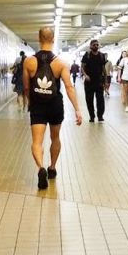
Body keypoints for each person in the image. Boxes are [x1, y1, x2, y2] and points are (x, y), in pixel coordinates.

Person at [23, 27, 83, 190]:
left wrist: (31, 102)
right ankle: (52, 168)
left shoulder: (29, 61)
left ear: (39, 38)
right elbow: (69, 87)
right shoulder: (61, 63)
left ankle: (41, 167)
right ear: (53, 39)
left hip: (37, 106)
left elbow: (27, 88)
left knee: (37, 141)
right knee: (55, 138)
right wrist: (77, 109)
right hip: (55, 105)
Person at [80, 39, 106, 122]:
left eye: (97, 45)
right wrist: (85, 75)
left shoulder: (102, 56)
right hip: (89, 82)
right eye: (94, 45)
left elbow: (103, 69)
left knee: (100, 100)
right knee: (89, 100)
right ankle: (92, 116)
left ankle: (100, 116)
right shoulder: (87, 55)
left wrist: (105, 81)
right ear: (90, 46)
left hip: (99, 82)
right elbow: (82, 67)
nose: (96, 46)